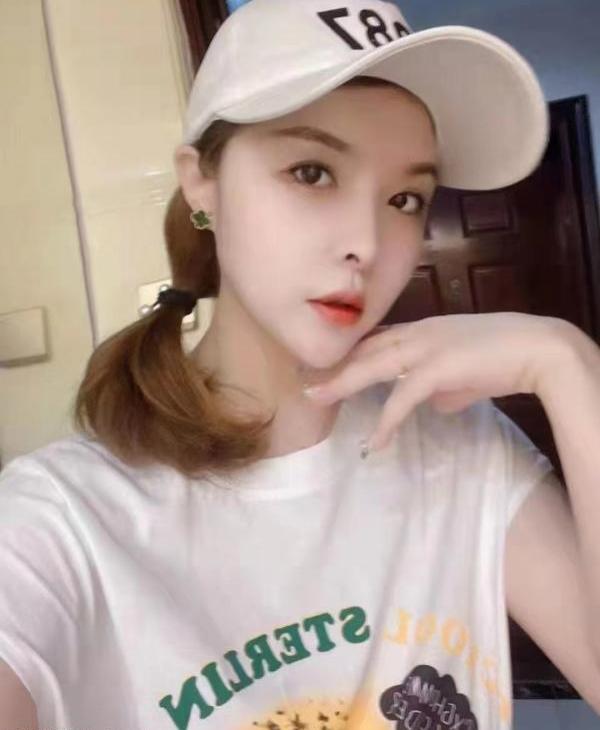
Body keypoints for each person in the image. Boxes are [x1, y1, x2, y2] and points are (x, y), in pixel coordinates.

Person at [2, 1, 594, 728]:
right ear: (201, 182)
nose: (367, 244)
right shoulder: (58, 521)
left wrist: (567, 363)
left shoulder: (464, 445)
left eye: (405, 198)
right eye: (312, 172)